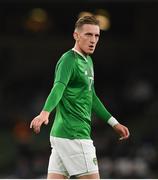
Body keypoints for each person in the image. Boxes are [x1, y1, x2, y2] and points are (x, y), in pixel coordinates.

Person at [30, 15, 130, 179]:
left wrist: (114, 123)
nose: (93, 40)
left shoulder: (88, 61)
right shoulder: (69, 59)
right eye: (88, 35)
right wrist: (45, 113)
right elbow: (58, 87)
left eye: (96, 35)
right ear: (76, 35)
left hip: (62, 136)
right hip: (74, 135)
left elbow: (92, 97)